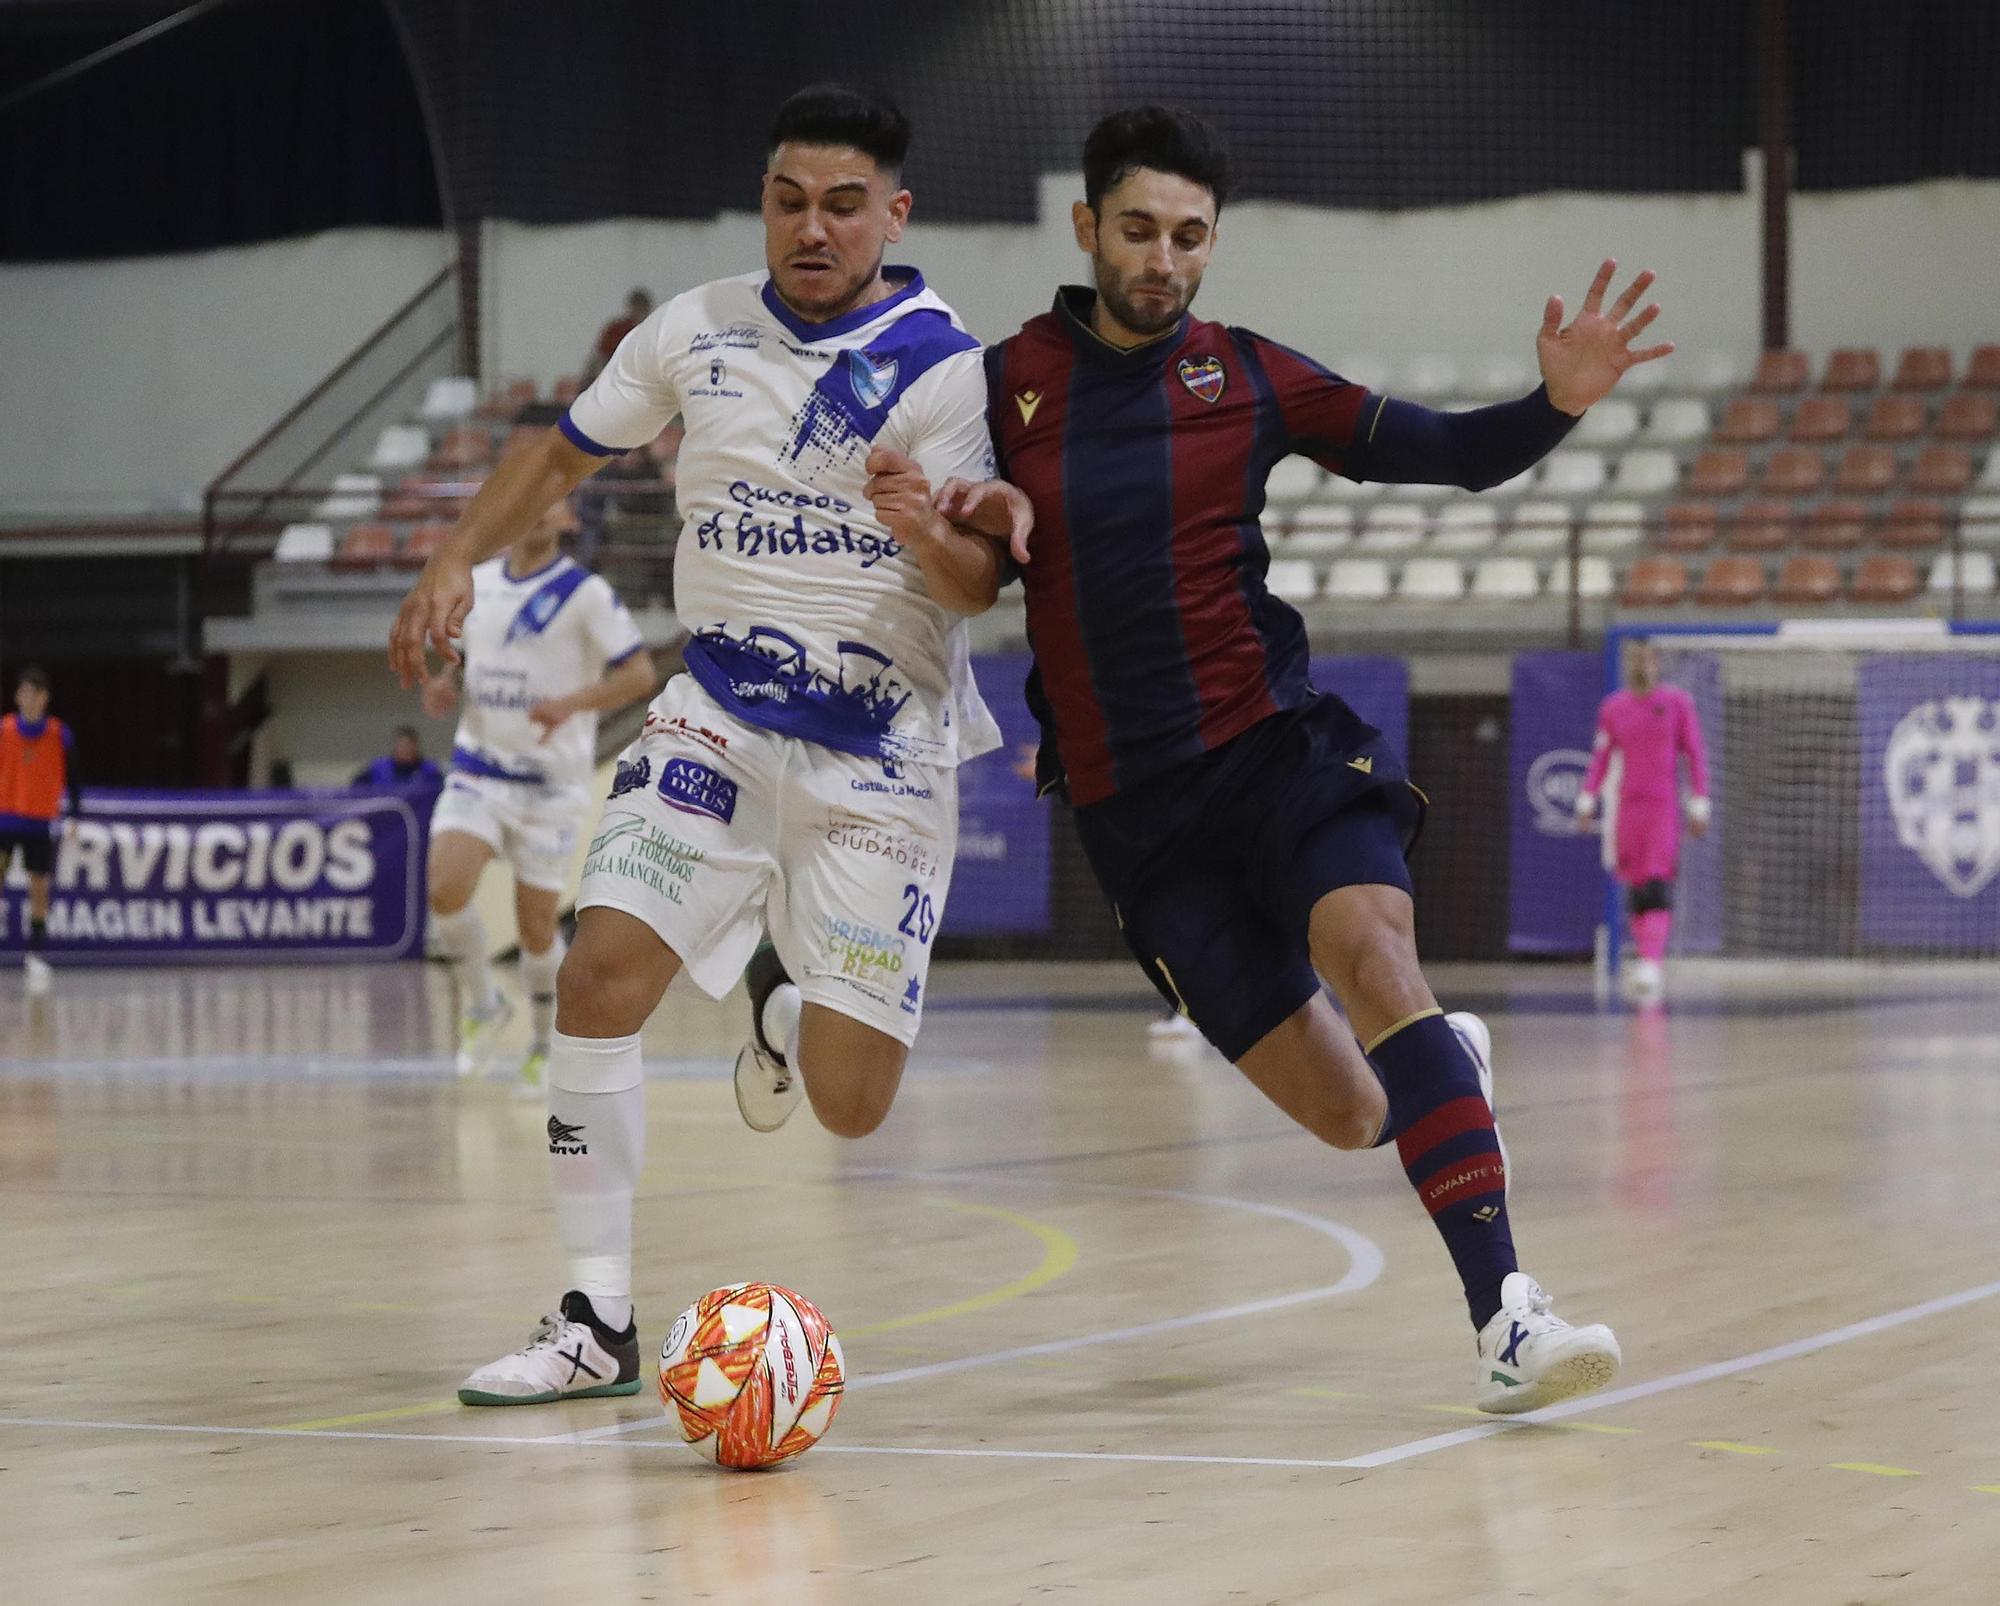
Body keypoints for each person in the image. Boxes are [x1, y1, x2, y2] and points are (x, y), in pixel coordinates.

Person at [953, 106, 1672, 1413]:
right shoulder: (1003, 383)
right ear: (1086, 229)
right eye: (1139, 230)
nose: (1163, 259)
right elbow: (946, 549)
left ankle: (1507, 1315)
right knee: (1354, 1116)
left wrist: (1553, 405)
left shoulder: (1250, 375)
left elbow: (1445, 454)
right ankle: (1432, 1060)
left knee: (1375, 954)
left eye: (1189, 236)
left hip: (1274, 754)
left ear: (1210, 244)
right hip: (1137, 824)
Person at [389, 84, 1017, 1407]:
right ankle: (593, 1318)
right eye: (790, 200)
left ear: (893, 215)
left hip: (878, 748)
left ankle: (780, 1002)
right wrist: (454, 551)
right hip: (715, 712)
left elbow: (975, 587)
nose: (813, 226)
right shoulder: (699, 327)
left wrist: (919, 530)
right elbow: (559, 457)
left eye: (845, 205)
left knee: (849, 1103)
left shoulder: (950, 368)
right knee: (597, 977)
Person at [419, 497, 656, 1092]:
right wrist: (446, 684)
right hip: (480, 766)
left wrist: (570, 705)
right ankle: (482, 1004)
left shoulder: (585, 594)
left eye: (551, 503)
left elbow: (639, 675)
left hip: (550, 784)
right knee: (444, 888)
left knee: (535, 929)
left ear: (566, 520)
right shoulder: (476, 585)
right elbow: (468, 654)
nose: (537, 509)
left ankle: (546, 1043)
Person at [1575, 639, 1710, 1004]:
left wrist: (1699, 802)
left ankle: (1652, 960)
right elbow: (1602, 756)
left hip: (1662, 808)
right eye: (1634, 659)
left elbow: (1693, 752)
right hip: (1627, 809)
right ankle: (1646, 956)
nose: (1641, 666)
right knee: (1635, 886)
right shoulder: (1614, 708)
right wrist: (1588, 797)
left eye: (1647, 659)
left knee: (1656, 883)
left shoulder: (1677, 704)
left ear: (1657, 663)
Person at [1, 666, 81, 998]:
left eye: (34, 694)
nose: (28, 699)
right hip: (4, 819)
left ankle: (35, 953)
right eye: (23, 693)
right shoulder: (4, 730)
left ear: (44, 698)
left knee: (38, 890)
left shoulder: (59, 734)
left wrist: (75, 813)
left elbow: (74, 777)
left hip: (39, 822)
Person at [582, 288, 654, 382]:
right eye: (636, 307)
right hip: (615, 375)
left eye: (642, 308)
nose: (639, 311)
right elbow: (600, 356)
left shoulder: (654, 330)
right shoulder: (616, 329)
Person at [352, 725, 443, 789]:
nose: (405, 750)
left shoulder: (430, 771)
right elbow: (357, 788)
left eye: (409, 745)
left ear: (416, 746)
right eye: (402, 746)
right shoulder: (377, 768)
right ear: (395, 747)